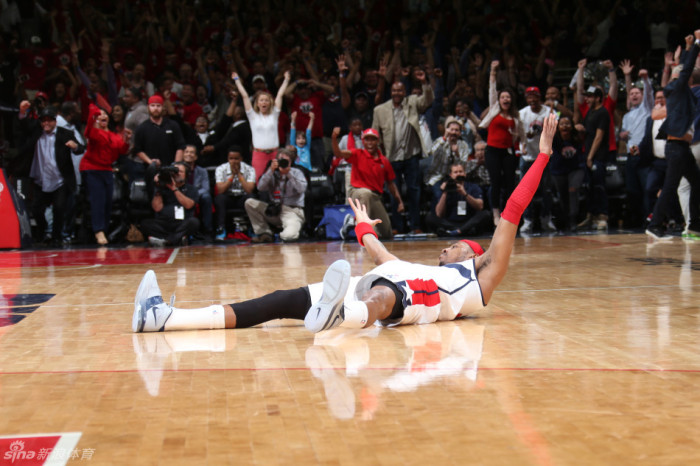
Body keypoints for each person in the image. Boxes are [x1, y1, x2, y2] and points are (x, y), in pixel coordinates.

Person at [131, 114, 560, 334]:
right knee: (277, 301)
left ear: (472, 252)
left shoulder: (478, 280)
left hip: (398, 299)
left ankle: (342, 314)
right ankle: (165, 318)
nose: (444, 250)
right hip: (367, 285)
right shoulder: (421, 267)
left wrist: (541, 154)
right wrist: (361, 226)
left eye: (453, 247)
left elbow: (512, 212)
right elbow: (381, 254)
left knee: (381, 295)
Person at [646, 31, 700, 241]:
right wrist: (696, 44)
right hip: (676, 148)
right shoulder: (677, 89)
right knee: (670, 186)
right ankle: (654, 225)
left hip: (682, 149)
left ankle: (695, 224)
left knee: (697, 182)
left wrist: (686, 50)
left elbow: (685, 70)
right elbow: (685, 70)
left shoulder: (683, 93)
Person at [372, 72, 434, 234]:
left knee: (414, 191)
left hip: (411, 156)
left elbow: (427, 100)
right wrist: (379, 157)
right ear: (390, 92)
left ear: (404, 92)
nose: (397, 93)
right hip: (391, 158)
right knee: (394, 194)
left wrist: (424, 83)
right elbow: (375, 135)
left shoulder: (412, 103)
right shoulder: (380, 110)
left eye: (400, 91)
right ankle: (397, 227)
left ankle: (415, 226)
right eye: (394, 91)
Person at [17, 104, 84, 245]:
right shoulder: (36, 132)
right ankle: (41, 234)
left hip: (60, 179)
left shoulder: (65, 133)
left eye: (49, 120)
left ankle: (56, 236)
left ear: (55, 121)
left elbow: (81, 149)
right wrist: (23, 112)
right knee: (36, 209)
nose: (46, 123)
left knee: (59, 208)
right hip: (41, 179)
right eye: (43, 121)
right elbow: (24, 126)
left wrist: (75, 146)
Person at [331, 127, 404, 239]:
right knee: (366, 194)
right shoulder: (357, 153)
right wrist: (334, 138)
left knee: (386, 234)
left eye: (373, 140)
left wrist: (399, 202)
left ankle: (353, 222)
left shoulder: (384, 161)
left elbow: (391, 184)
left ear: (378, 142)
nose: (370, 143)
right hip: (357, 192)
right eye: (367, 140)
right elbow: (338, 153)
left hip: (375, 197)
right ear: (363, 141)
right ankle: (357, 222)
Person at [478, 60, 525, 228]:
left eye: (508, 97)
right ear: (499, 99)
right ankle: (496, 212)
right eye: (503, 97)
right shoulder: (494, 109)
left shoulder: (515, 116)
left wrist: (523, 145)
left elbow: (521, 134)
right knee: (496, 182)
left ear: (512, 100)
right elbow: (492, 89)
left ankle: (508, 214)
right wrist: (492, 71)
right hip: (492, 151)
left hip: (508, 152)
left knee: (510, 184)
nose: (506, 99)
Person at [80, 103, 131, 245]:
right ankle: (98, 231)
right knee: (98, 199)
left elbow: (122, 150)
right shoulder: (94, 133)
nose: (103, 116)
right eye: (99, 115)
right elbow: (88, 129)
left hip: (107, 170)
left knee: (108, 201)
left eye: (104, 114)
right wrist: (94, 111)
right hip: (92, 169)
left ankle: (104, 229)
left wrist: (126, 140)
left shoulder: (114, 136)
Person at [233, 70, 291, 180]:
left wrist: (286, 80)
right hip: (259, 155)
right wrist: (237, 81)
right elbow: (245, 96)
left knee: (278, 180)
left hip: (274, 153)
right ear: (257, 103)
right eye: (261, 100)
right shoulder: (252, 116)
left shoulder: (274, 114)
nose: (264, 102)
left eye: (266, 100)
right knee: (259, 182)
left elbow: (280, 95)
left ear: (270, 103)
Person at [244, 148, 307, 243]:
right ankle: (265, 233)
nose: (283, 163)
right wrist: (270, 170)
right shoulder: (272, 173)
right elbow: (260, 188)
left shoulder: (296, 172)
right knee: (249, 203)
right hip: (275, 211)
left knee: (289, 236)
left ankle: (281, 234)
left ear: (290, 162)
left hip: (292, 211)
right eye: (281, 160)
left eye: (286, 161)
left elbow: (302, 189)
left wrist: (288, 174)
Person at [518, 86, 555, 234]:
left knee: (546, 190)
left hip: (544, 156)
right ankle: (528, 221)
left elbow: (554, 130)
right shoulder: (522, 113)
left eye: (535, 96)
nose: (532, 100)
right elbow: (520, 134)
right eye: (529, 97)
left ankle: (546, 219)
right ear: (527, 99)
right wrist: (523, 145)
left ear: (540, 98)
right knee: (525, 191)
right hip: (527, 157)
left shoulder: (548, 111)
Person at [139, 162, 200, 246]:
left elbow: (188, 205)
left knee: (194, 222)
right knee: (145, 223)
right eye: (175, 172)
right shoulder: (162, 187)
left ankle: (165, 241)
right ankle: (176, 239)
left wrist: (174, 188)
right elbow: (157, 208)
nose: (177, 174)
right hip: (163, 223)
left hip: (181, 223)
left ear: (186, 175)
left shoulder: (191, 189)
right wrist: (158, 187)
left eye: (180, 171)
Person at [426, 163, 492, 237]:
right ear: (451, 175)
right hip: (451, 222)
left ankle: (453, 232)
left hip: (468, 221)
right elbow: (439, 213)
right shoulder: (447, 187)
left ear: (465, 174)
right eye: (456, 172)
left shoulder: (473, 187)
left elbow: (480, 206)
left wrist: (465, 194)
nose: (458, 174)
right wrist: (444, 193)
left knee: (485, 214)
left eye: (460, 172)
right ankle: (461, 231)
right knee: (430, 217)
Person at [578, 86, 610, 231]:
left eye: (590, 96)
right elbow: (589, 131)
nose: (587, 99)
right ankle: (591, 215)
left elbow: (599, 136)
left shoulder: (603, 112)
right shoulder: (590, 112)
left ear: (598, 98)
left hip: (598, 156)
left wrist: (590, 157)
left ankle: (602, 216)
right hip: (588, 155)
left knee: (599, 186)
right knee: (589, 187)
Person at [550, 116, 585, 231]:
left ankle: (573, 219)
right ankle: (566, 220)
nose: (565, 126)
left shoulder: (577, 137)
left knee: (573, 190)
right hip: (559, 170)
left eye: (568, 123)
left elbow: (588, 134)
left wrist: (582, 130)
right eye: (562, 124)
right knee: (563, 195)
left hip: (576, 168)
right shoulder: (555, 139)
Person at [214, 147, 256, 241]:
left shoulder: (249, 169)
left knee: (251, 198)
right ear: (228, 159)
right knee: (219, 198)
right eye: (231, 158)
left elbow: (249, 190)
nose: (233, 161)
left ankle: (252, 228)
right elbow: (220, 190)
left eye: (236, 159)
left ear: (241, 159)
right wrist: (232, 176)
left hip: (242, 198)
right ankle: (221, 229)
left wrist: (239, 175)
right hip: (228, 197)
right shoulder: (221, 169)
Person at [425, 117, 470, 200]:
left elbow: (463, 166)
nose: (453, 132)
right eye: (451, 130)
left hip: (456, 178)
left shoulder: (464, 146)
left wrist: (457, 154)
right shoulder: (440, 141)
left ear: (460, 133)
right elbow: (431, 153)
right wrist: (444, 138)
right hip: (437, 176)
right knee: (440, 197)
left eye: (456, 130)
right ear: (447, 130)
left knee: (460, 196)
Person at [182, 145, 213, 238]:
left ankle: (208, 230)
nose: (189, 154)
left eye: (192, 152)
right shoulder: (177, 168)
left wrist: (193, 195)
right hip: (181, 194)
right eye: (186, 152)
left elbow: (205, 188)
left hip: (197, 195)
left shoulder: (202, 171)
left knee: (206, 197)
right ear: (183, 154)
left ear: (196, 157)